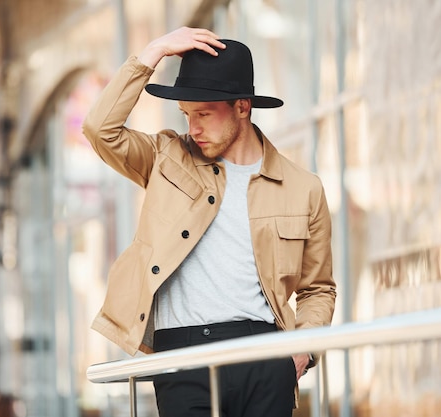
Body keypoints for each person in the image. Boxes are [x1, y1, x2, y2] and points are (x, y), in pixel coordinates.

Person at [82, 26, 336, 417]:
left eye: (203, 114)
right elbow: (100, 130)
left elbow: (318, 288)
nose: (193, 128)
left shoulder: (303, 188)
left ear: (242, 106)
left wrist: (302, 350)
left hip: (265, 353)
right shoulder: (164, 158)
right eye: (186, 114)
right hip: (182, 358)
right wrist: (156, 51)